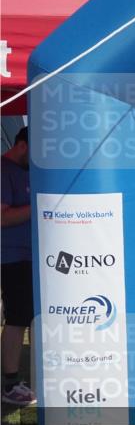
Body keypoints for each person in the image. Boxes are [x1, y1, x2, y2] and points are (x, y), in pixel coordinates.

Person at [0, 127, 35, 406]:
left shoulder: (28, 171)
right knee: (17, 319)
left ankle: (38, 377)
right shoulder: (4, 170)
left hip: (36, 256)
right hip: (12, 257)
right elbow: (3, 218)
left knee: (34, 318)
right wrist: (39, 205)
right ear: (22, 145)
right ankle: (10, 383)